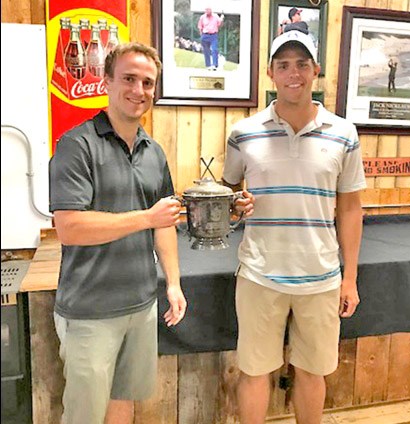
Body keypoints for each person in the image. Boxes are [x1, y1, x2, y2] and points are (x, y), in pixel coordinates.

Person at [222, 30, 366, 423]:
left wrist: (349, 278)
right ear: (270, 73)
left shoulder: (344, 134)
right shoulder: (243, 133)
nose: (293, 73)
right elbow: (229, 190)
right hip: (258, 272)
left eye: (302, 64)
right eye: (283, 65)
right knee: (254, 371)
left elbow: (351, 209)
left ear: (316, 70)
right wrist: (235, 203)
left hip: (321, 277)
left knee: (313, 371)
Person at [49, 42, 187, 424]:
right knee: (84, 416)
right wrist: (145, 217)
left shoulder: (154, 152)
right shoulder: (76, 145)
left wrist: (172, 283)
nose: (138, 90)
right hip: (90, 312)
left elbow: (166, 225)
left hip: (141, 305)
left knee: (123, 403)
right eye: (128, 79)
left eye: (147, 82)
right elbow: (70, 227)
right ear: (106, 81)